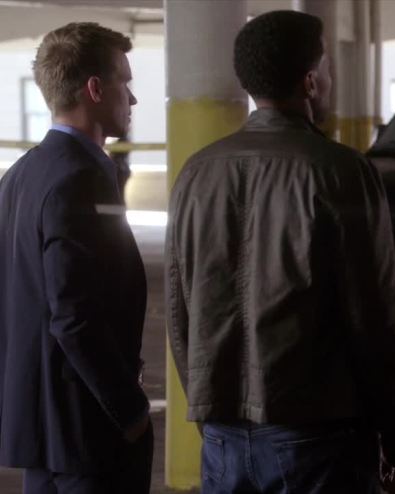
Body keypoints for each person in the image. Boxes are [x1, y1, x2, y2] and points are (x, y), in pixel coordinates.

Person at [166, 10, 395, 494]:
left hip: (222, 434)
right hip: (317, 434)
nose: (329, 79)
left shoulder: (196, 173)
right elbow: (374, 316)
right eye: (327, 67)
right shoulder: (339, 171)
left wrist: (210, 406)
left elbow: (181, 314)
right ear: (310, 81)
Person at [0, 23, 152, 494]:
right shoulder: (80, 178)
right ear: (95, 89)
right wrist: (129, 410)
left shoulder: (20, 174)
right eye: (125, 83)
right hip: (88, 431)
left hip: (41, 431)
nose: (133, 99)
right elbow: (74, 316)